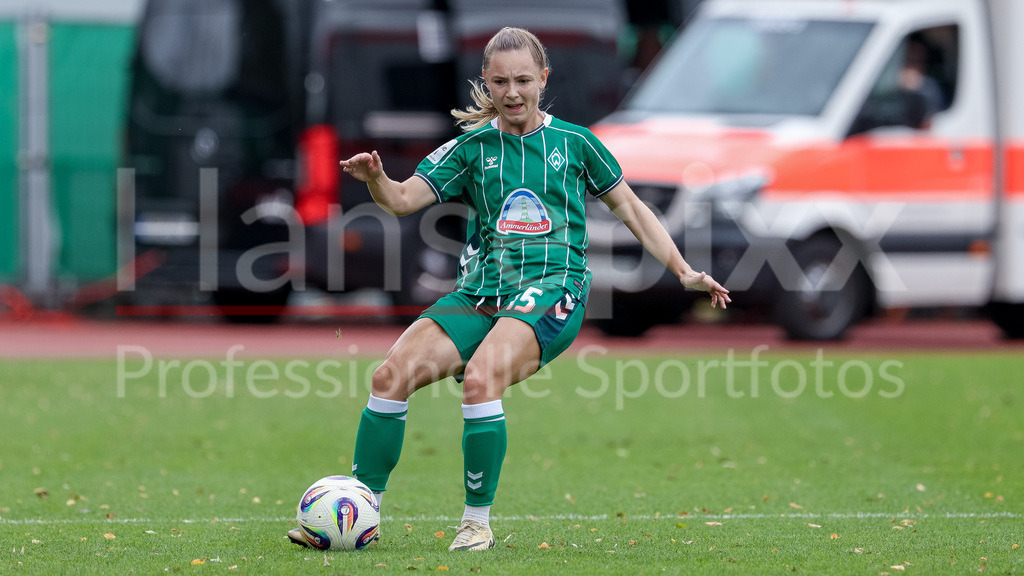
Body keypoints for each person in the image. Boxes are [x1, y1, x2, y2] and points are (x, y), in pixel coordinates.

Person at [288, 26, 730, 552]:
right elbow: (404, 200)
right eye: (501, 82)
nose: (513, 92)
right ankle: (358, 512)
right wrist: (376, 179)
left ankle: (476, 524)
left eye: (523, 80)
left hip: (553, 288)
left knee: (481, 378)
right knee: (390, 375)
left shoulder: (576, 143)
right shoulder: (472, 147)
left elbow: (632, 208)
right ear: (487, 83)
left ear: (543, 79)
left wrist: (682, 270)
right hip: (481, 292)